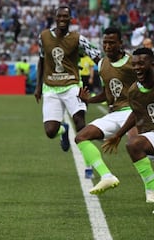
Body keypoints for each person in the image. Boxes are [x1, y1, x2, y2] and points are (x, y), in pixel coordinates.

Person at [75, 27, 138, 193]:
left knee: (137, 146)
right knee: (81, 137)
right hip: (115, 113)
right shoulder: (102, 64)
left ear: (120, 44)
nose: (108, 46)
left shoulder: (132, 63)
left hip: (134, 111)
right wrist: (89, 99)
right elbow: (107, 93)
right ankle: (106, 176)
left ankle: (151, 191)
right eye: (105, 43)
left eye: (112, 43)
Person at [34, 5, 101, 152]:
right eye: (60, 16)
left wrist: (107, 72)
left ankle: (89, 165)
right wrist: (38, 86)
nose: (62, 19)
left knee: (80, 123)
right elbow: (41, 60)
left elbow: (96, 55)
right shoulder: (43, 37)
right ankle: (63, 130)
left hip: (72, 85)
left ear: (71, 19)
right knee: (50, 131)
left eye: (65, 16)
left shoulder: (78, 38)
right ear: (55, 18)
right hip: (50, 87)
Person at [102, 47, 154, 203]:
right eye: (135, 64)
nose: (137, 68)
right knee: (133, 144)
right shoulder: (134, 91)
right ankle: (151, 189)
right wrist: (118, 135)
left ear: (152, 63)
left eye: (141, 64)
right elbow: (135, 113)